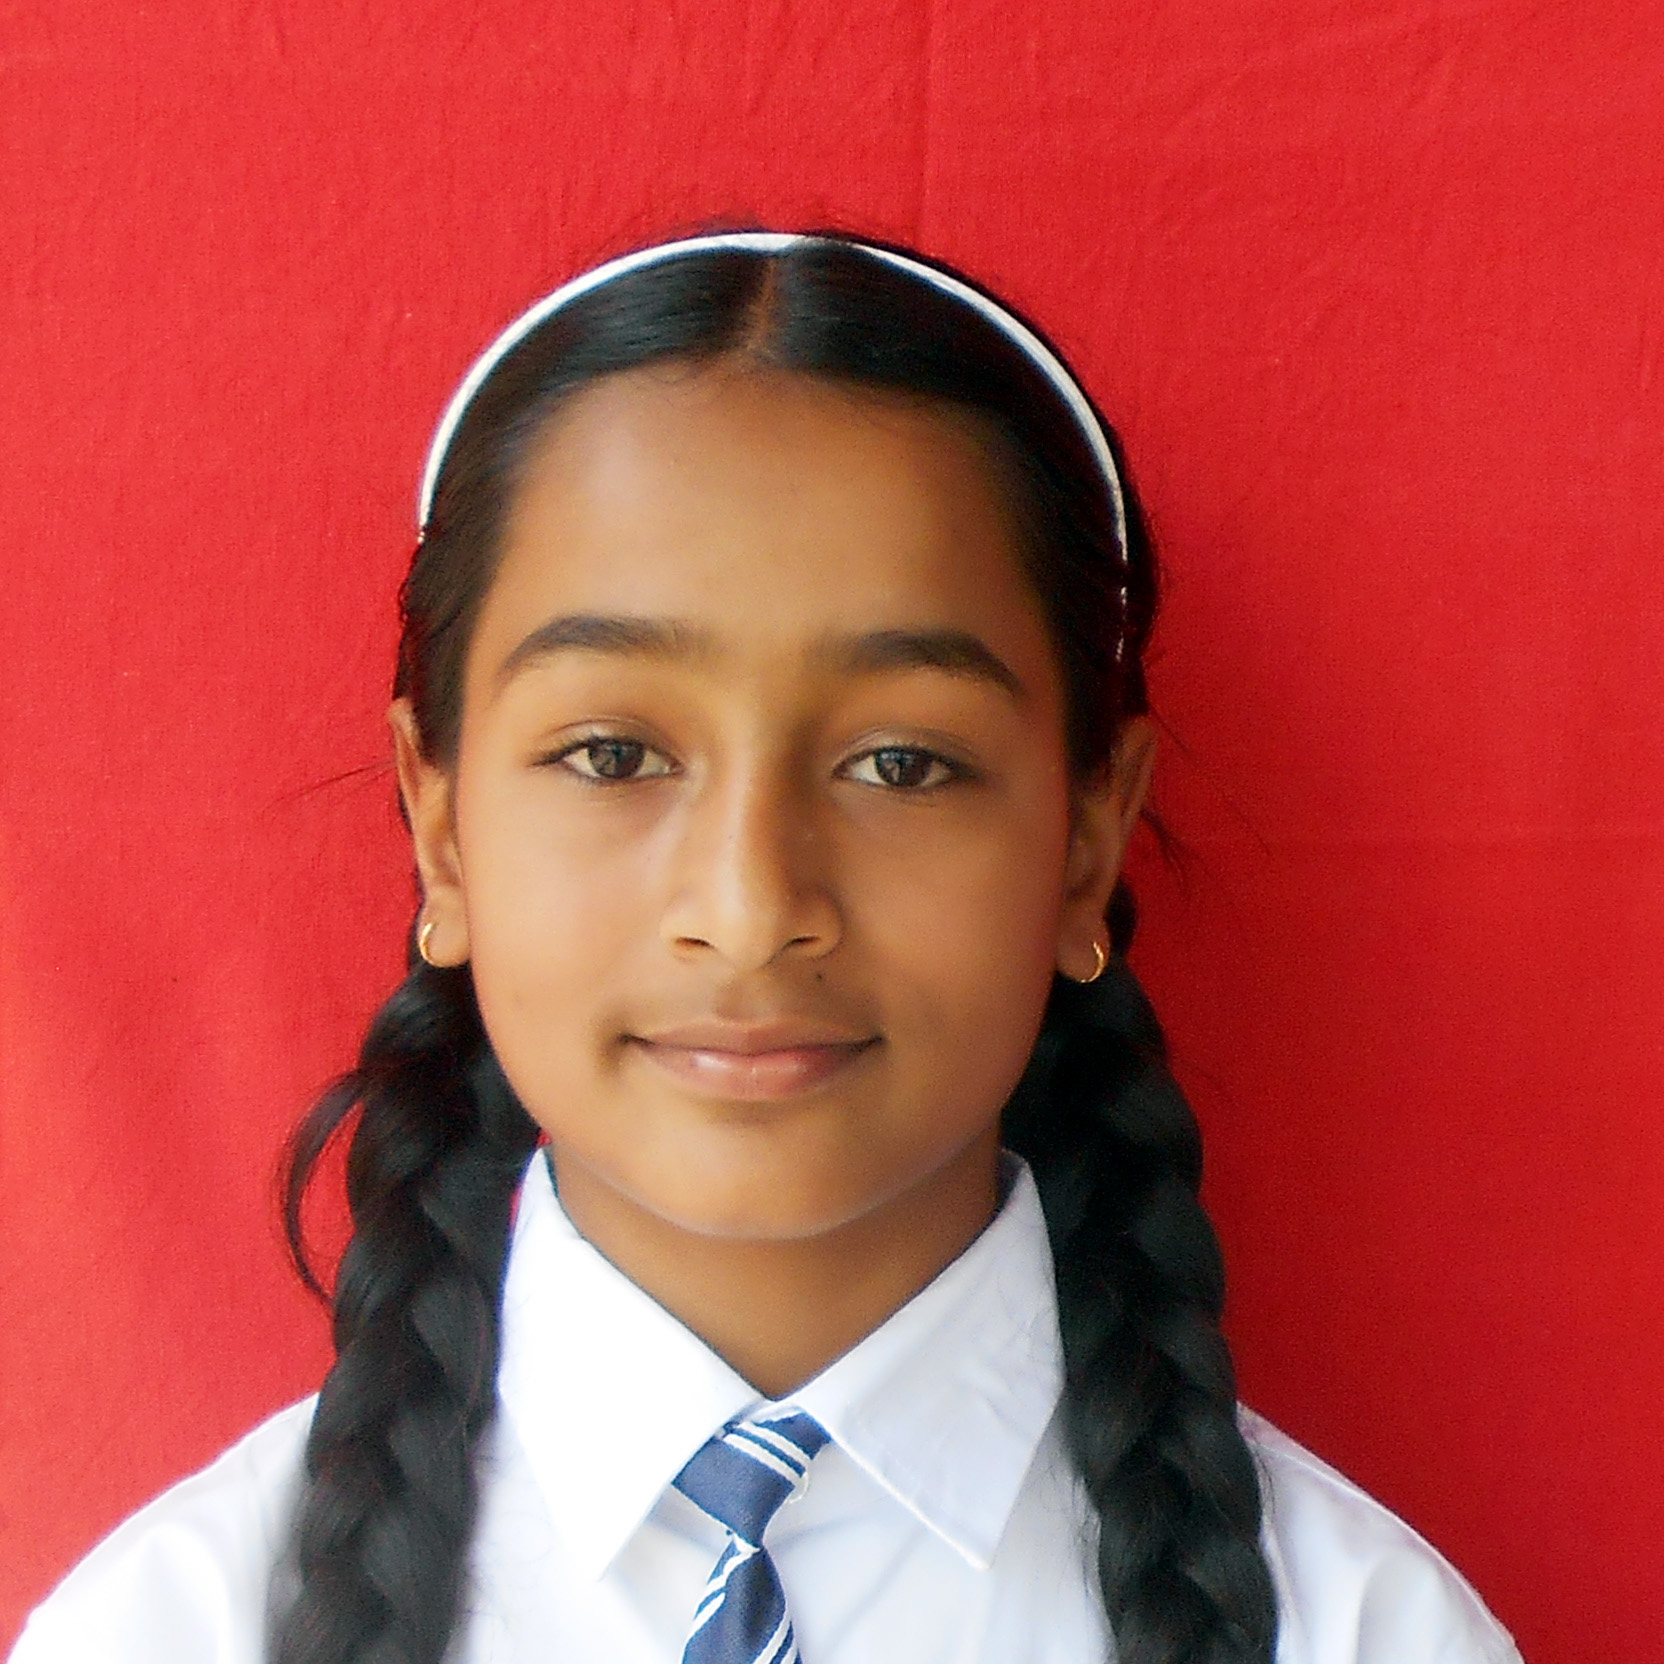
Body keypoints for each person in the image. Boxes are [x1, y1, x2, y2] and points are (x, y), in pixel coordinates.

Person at [9, 232, 1525, 1664]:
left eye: (902, 764)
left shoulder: (1363, 1634)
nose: (749, 906)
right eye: (612, 754)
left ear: (1087, 837)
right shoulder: (170, 1630)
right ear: (441, 826)